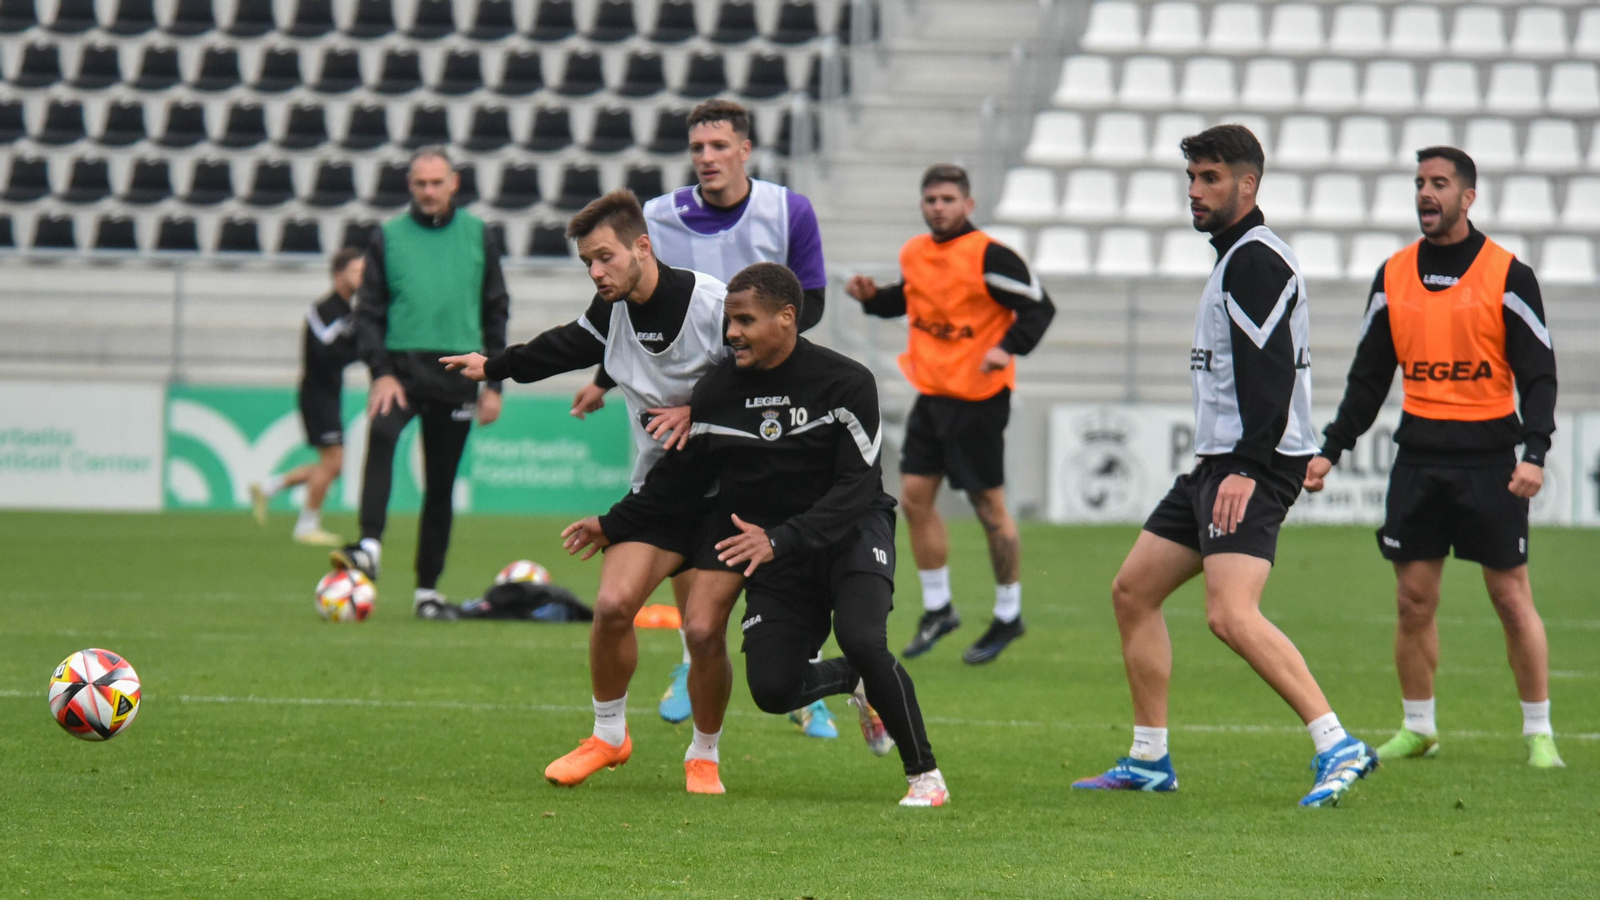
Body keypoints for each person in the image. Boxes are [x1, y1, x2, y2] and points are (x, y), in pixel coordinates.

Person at [564, 262, 949, 806]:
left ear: (787, 318)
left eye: (744, 320)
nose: (731, 333)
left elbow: (856, 487)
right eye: (728, 321)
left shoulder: (847, 382)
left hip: (850, 533)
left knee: (863, 638)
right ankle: (851, 681)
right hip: (771, 548)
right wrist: (612, 524)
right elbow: (679, 479)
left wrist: (782, 539)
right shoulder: (718, 390)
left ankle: (925, 776)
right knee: (773, 691)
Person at [1072, 125, 1378, 807]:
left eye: (1210, 178)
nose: (1195, 191)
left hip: (1254, 465)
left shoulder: (1256, 261)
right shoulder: (1235, 257)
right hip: (1220, 464)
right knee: (1133, 591)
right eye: (1191, 178)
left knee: (1231, 614)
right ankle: (1149, 758)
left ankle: (1338, 742)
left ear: (1248, 184)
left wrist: (1246, 465)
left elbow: (1267, 374)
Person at [438, 190, 734, 792]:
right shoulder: (611, 313)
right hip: (657, 495)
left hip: (731, 495)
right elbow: (562, 347)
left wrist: (697, 407)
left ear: (642, 247)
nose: (596, 272)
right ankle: (608, 735)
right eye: (587, 264)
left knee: (703, 633)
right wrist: (493, 366)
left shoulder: (714, 305)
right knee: (610, 607)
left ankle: (705, 752)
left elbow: (765, 370)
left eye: (605, 258)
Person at [578, 99, 837, 735]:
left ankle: (807, 670)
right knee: (687, 514)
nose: (707, 158)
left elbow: (812, 306)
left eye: (719, 146)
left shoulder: (787, 210)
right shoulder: (659, 216)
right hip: (679, 408)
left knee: (775, 525)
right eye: (697, 148)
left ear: (745, 149)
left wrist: (745, 361)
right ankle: (693, 662)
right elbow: (636, 307)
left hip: (758, 399)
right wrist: (603, 378)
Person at [1304, 147, 1563, 768]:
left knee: (1509, 597)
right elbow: (1369, 377)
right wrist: (1332, 448)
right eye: (1420, 182)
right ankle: (1419, 726)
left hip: (1491, 459)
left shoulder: (1508, 274)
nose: (1426, 193)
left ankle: (1539, 731)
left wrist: (1535, 450)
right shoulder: (1393, 274)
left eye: (1439, 183)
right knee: (1412, 600)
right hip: (1419, 457)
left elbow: (1539, 375)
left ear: (1467, 197)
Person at [845, 164, 1055, 665]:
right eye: (930, 199)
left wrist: (1008, 347)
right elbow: (912, 300)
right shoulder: (916, 252)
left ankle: (1009, 613)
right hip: (933, 394)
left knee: (989, 508)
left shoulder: (990, 255)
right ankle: (938, 608)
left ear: (968, 205)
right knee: (914, 499)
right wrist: (875, 299)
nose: (937, 207)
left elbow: (1039, 307)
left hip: (979, 400)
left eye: (947, 199)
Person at [331, 145, 508, 615]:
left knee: (441, 484)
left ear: (454, 182)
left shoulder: (478, 235)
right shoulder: (388, 236)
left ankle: (427, 591)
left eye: (436, 182)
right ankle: (369, 543)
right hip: (403, 371)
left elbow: (495, 310)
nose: (428, 191)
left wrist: (495, 382)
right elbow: (368, 312)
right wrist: (381, 373)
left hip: (458, 372)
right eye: (419, 184)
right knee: (382, 433)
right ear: (410, 186)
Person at [250, 247, 365, 546]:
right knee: (333, 462)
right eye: (356, 271)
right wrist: (361, 351)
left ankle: (269, 486)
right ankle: (306, 525)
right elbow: (326, 352)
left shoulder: (350, 312)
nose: (362, 277)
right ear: (339, 273)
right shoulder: (323, 310)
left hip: (330, 393)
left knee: (331, 465)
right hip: (316, 394)